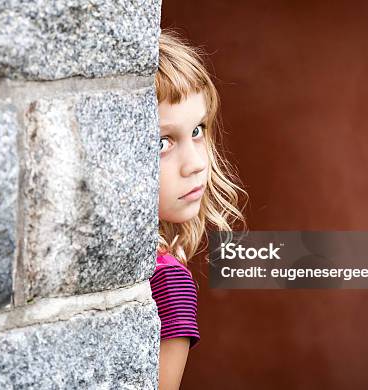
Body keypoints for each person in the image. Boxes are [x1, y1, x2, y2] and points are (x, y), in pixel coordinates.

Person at [152, 29, 248, 389]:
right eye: (163, 141)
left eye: (198, 130)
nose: (195, 164)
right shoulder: (164, 276)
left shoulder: (169, 280)